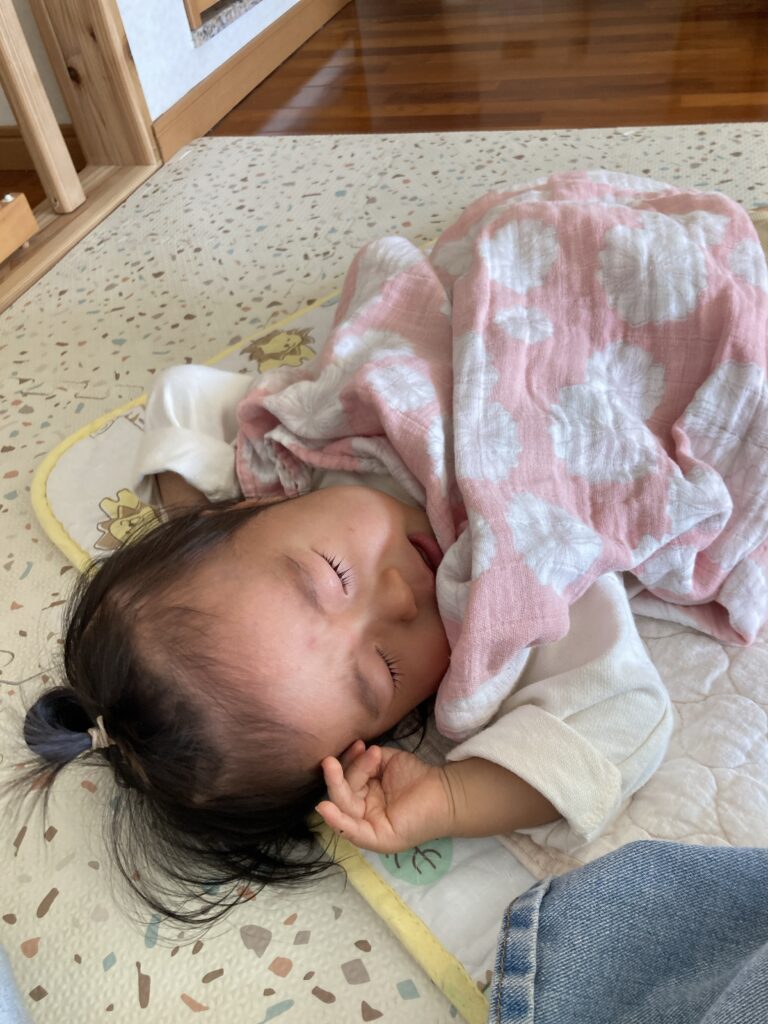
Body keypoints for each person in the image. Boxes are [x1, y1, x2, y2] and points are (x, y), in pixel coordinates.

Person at [19, 361, 671, 924]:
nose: (400, 600)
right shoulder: (508, 588)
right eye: (385, 670)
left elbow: (183, 396)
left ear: (245, 507)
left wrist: (202, 533)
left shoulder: (306, 447)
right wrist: (451, 798)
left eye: (333, 573)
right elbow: (619, 720)